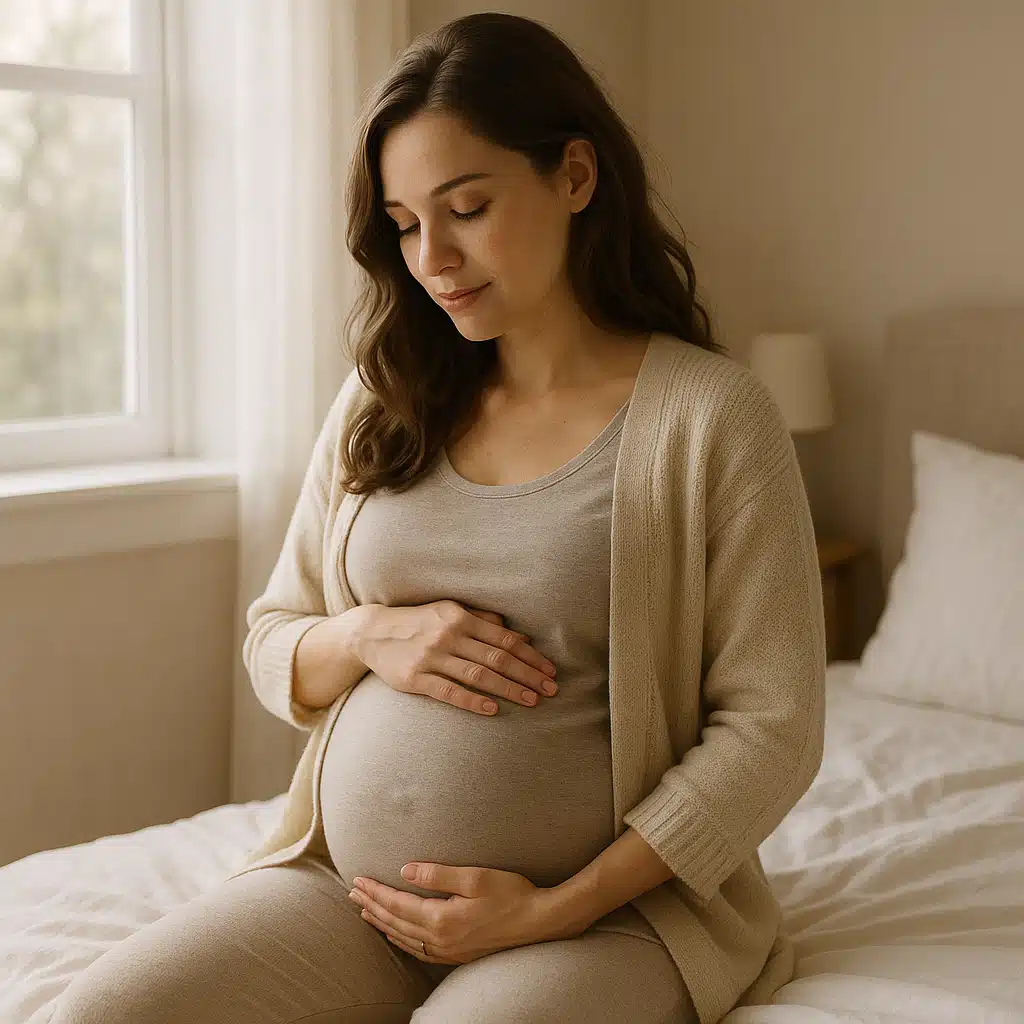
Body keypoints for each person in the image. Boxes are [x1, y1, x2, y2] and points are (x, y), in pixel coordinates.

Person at [50, 12, 826, 1024]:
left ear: (576, 177)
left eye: (466, 207)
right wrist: (371, 634)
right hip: (348, 897)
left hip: (604, 918)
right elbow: (274, 641)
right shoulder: (389, 394)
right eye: (406, 223)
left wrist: (554, 905)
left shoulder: (710, 418)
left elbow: (773, 729)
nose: (433, 258)